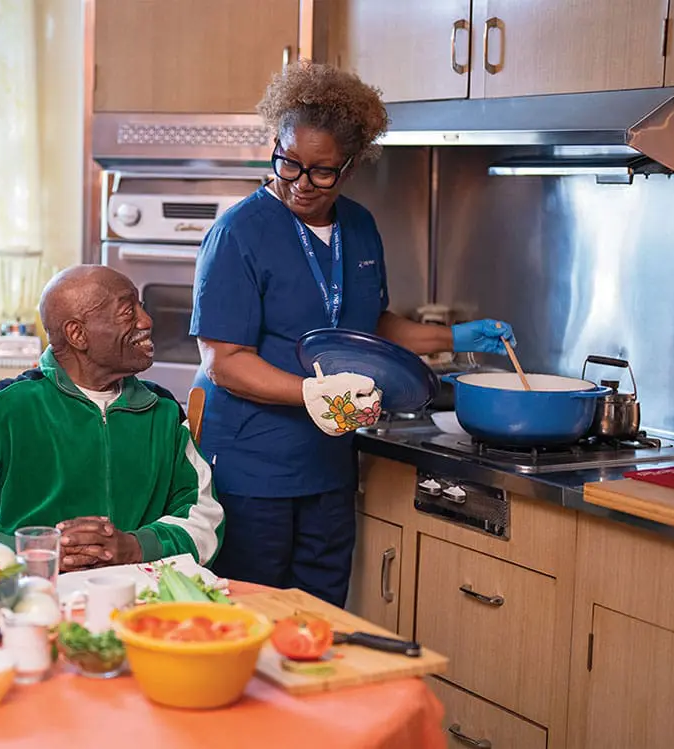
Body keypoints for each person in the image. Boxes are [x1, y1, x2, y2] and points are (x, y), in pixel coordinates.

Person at [189, 62, 515, 607]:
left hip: (331, 464)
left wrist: (454, 335)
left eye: (322, 172)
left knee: (322, 617)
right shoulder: (238, 233)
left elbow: (371, 325)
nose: (299, 183)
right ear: (275, 144)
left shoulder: (359, 226)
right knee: (255, 616)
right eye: (288, 163)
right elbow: (224, 359)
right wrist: (309, 393)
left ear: (351, 167)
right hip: (255, 469)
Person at [0, 265, 224, 572]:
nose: (146, 321)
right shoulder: (9, 407)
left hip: (143, 605)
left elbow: (206, 517)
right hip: (35, 598)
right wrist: (18, 551)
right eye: (127, 311)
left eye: (141, 307)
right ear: (78, 334)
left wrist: (135, 547)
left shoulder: (162, 412)